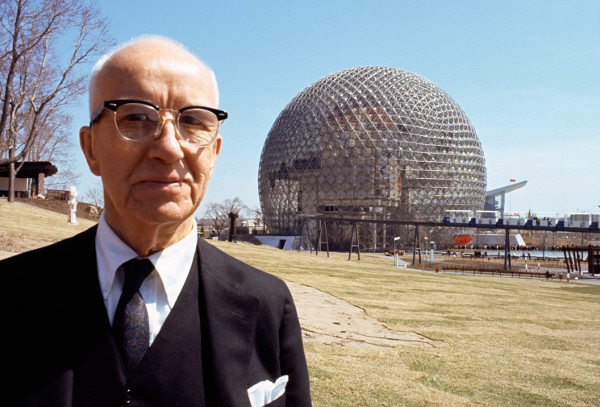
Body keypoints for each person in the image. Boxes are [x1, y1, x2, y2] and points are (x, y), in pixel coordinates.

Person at [2, 36, 311, 407]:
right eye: (136, 117)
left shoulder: (268, 306)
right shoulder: (10, 295)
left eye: (193, 121)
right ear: (90, 149)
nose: (168, 147)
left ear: (213, 154)